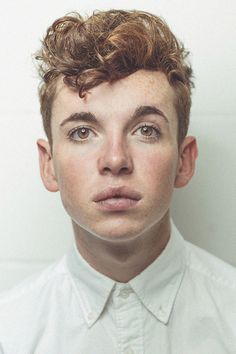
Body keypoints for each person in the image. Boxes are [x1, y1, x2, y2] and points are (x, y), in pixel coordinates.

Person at [0, 9, 235, 354]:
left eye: (146, 130)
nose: (115, 160)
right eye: (82, 132)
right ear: (49, 165)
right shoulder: (9, 331)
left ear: (184, 161)